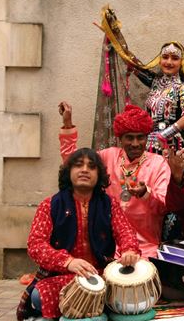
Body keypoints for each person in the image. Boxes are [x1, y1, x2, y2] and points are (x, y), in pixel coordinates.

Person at [16, 148, 140, 320]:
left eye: (91, 167)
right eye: (78, 165)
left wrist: (129, 251)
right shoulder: (50, 205)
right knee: (38, 297)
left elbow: (125, 232)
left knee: (132, 290)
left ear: (99, 175)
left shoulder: (109, 204)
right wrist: (68, 262)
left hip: (102, 275)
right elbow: (36, 245)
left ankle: (84, 307)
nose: (84, 170)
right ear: (69, 172)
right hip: (64, 277)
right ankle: (101, 307)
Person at [59, 102, 170, 258]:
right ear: (120, 139)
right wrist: (67, 124)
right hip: (103, 243)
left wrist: (146, 194)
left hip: (144, 247)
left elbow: (163, 208)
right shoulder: (108, 156)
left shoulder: (158, 164)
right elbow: (73, 163)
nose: (135, 144)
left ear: (147, 138)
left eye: (140, 138)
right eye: (129, 138)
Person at [134, 41, 184, 153]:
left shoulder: (181, 87)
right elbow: (131, 63)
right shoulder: (154, 82)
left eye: (174, 58)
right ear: (159, 60)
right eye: (165, 57)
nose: (169, 62)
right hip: (150, 143)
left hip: (172, 145)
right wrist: (113, 37)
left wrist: (165, 135)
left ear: (181, 62)